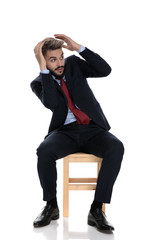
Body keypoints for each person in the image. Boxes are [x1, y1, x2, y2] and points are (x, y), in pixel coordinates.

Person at [31, 34, 124, 232]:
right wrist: (42, 69)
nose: (59, 63)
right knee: (44, 151)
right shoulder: (39, 82)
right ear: (43, 61)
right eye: (52, 60)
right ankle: (51, 205)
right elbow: (52, 104)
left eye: (61, 57)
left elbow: (105, 70)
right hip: (65, 132)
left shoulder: (73, 64)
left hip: (92, 128)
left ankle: (97, 209)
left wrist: (78, 48)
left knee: (116, 147)